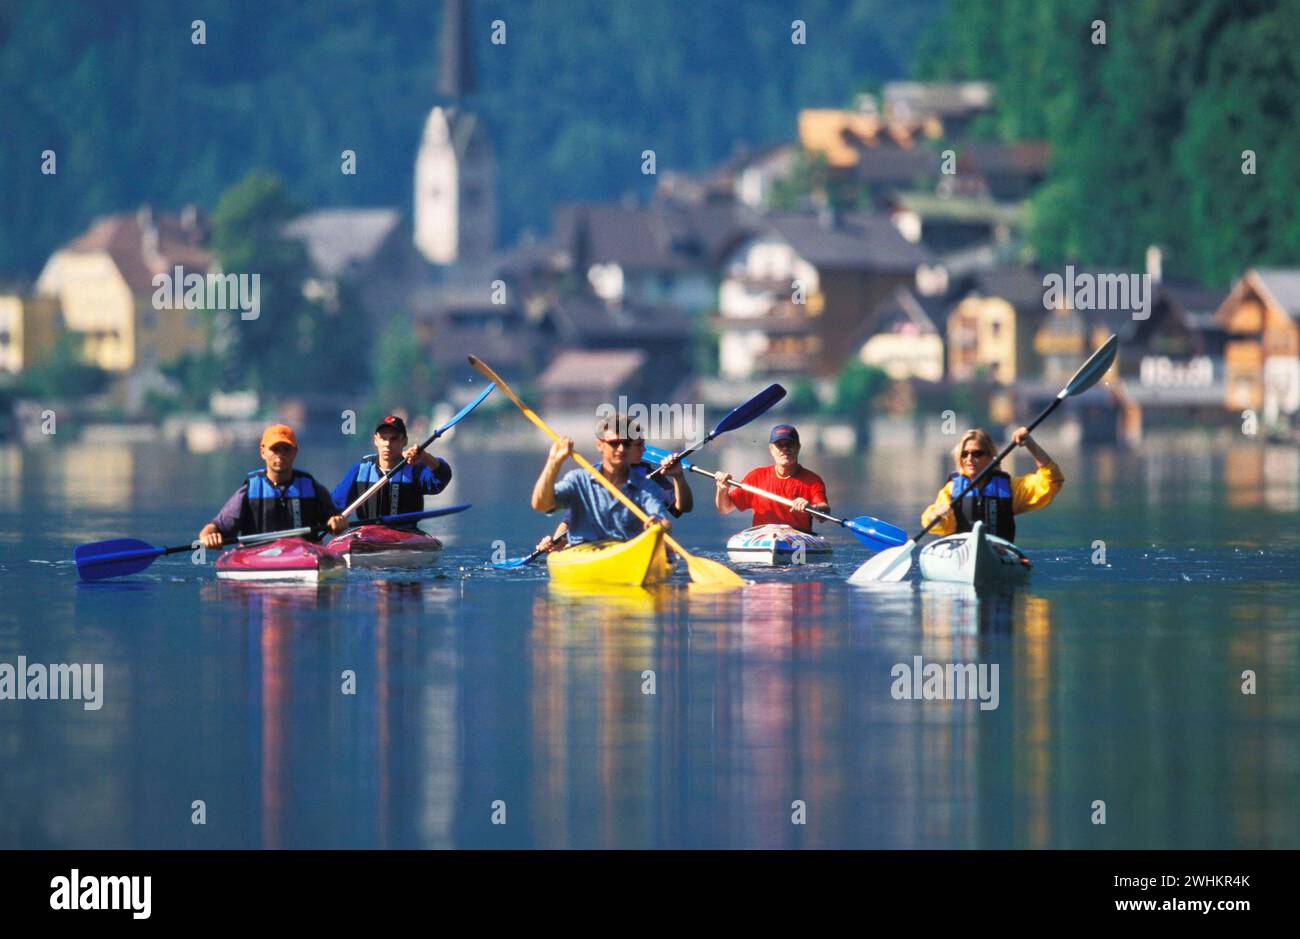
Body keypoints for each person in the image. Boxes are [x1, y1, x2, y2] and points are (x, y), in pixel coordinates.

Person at [197, 424, 347, 549]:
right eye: (275, 449)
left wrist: (337, 523)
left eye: (286, 449)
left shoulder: (311, 486)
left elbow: (336, 520)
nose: (280, 455)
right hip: (257, 556)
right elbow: (213, 527)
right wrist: (209, 536)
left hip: (304, 554)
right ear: (263, 452)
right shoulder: (249, 491)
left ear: (295, 452)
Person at [531, 414, 671, 545]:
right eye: (614, 443)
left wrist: (659, 525)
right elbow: (541, 504)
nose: (621, 449)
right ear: (600, 445)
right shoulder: (578, 481)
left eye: (627, 443)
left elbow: (662, 520)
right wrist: (553, 463)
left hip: (627, 552)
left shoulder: (647, 487)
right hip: (584, 553)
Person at [534, 438, 690, 552]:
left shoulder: (649, 480)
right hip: (592, 549)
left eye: (627, 444)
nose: (644, 450)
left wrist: (678, 477)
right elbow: (567, 522)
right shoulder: (586, 478)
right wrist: (554, 545)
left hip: (634, 546)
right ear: (602, 446)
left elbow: (679, 509)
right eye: (639, 445)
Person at [920, 427, 1064, 541]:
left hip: (998, 553)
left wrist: (1031, 445)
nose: (969, 458)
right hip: (961, 554)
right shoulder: (952, 489)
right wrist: (936, 515)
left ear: (990, 457)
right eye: (965, 454)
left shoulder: (1009, 488)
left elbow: (1052, 481)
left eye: (977, 454)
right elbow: (937, 523)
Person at [332, 414, 452, 523]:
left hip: (406, 535)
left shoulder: (415, 470)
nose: (388, 444)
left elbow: (442, 477)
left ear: (404, 441)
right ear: (376, 440)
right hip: (366, 536)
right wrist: (332, 519)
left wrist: (425, 456)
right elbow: (335, 505)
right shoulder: (360, 471)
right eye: (383, 438)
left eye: (393, 439)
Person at [713, 424, 829, 533]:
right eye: (779, 445)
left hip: (798, 539)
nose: (785, 449)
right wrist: (722, 489)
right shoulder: (756, 477)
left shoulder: (813, 480)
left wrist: (812, 508)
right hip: (762, 538)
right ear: (771, 450)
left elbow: (824, 511)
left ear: (798, 447)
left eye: (789, 444)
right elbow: (725, 508)